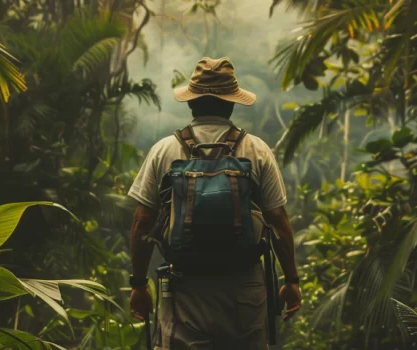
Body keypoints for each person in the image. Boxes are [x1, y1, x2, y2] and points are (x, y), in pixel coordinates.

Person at [126, 57, 301, 350]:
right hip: (245, 288)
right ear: (232, 104)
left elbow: (142, 223)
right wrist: (291, 280)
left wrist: (139, 285)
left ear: (191, 103)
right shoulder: (256, 150)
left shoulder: (165, 151)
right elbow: (279, 223)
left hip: (185, 290)